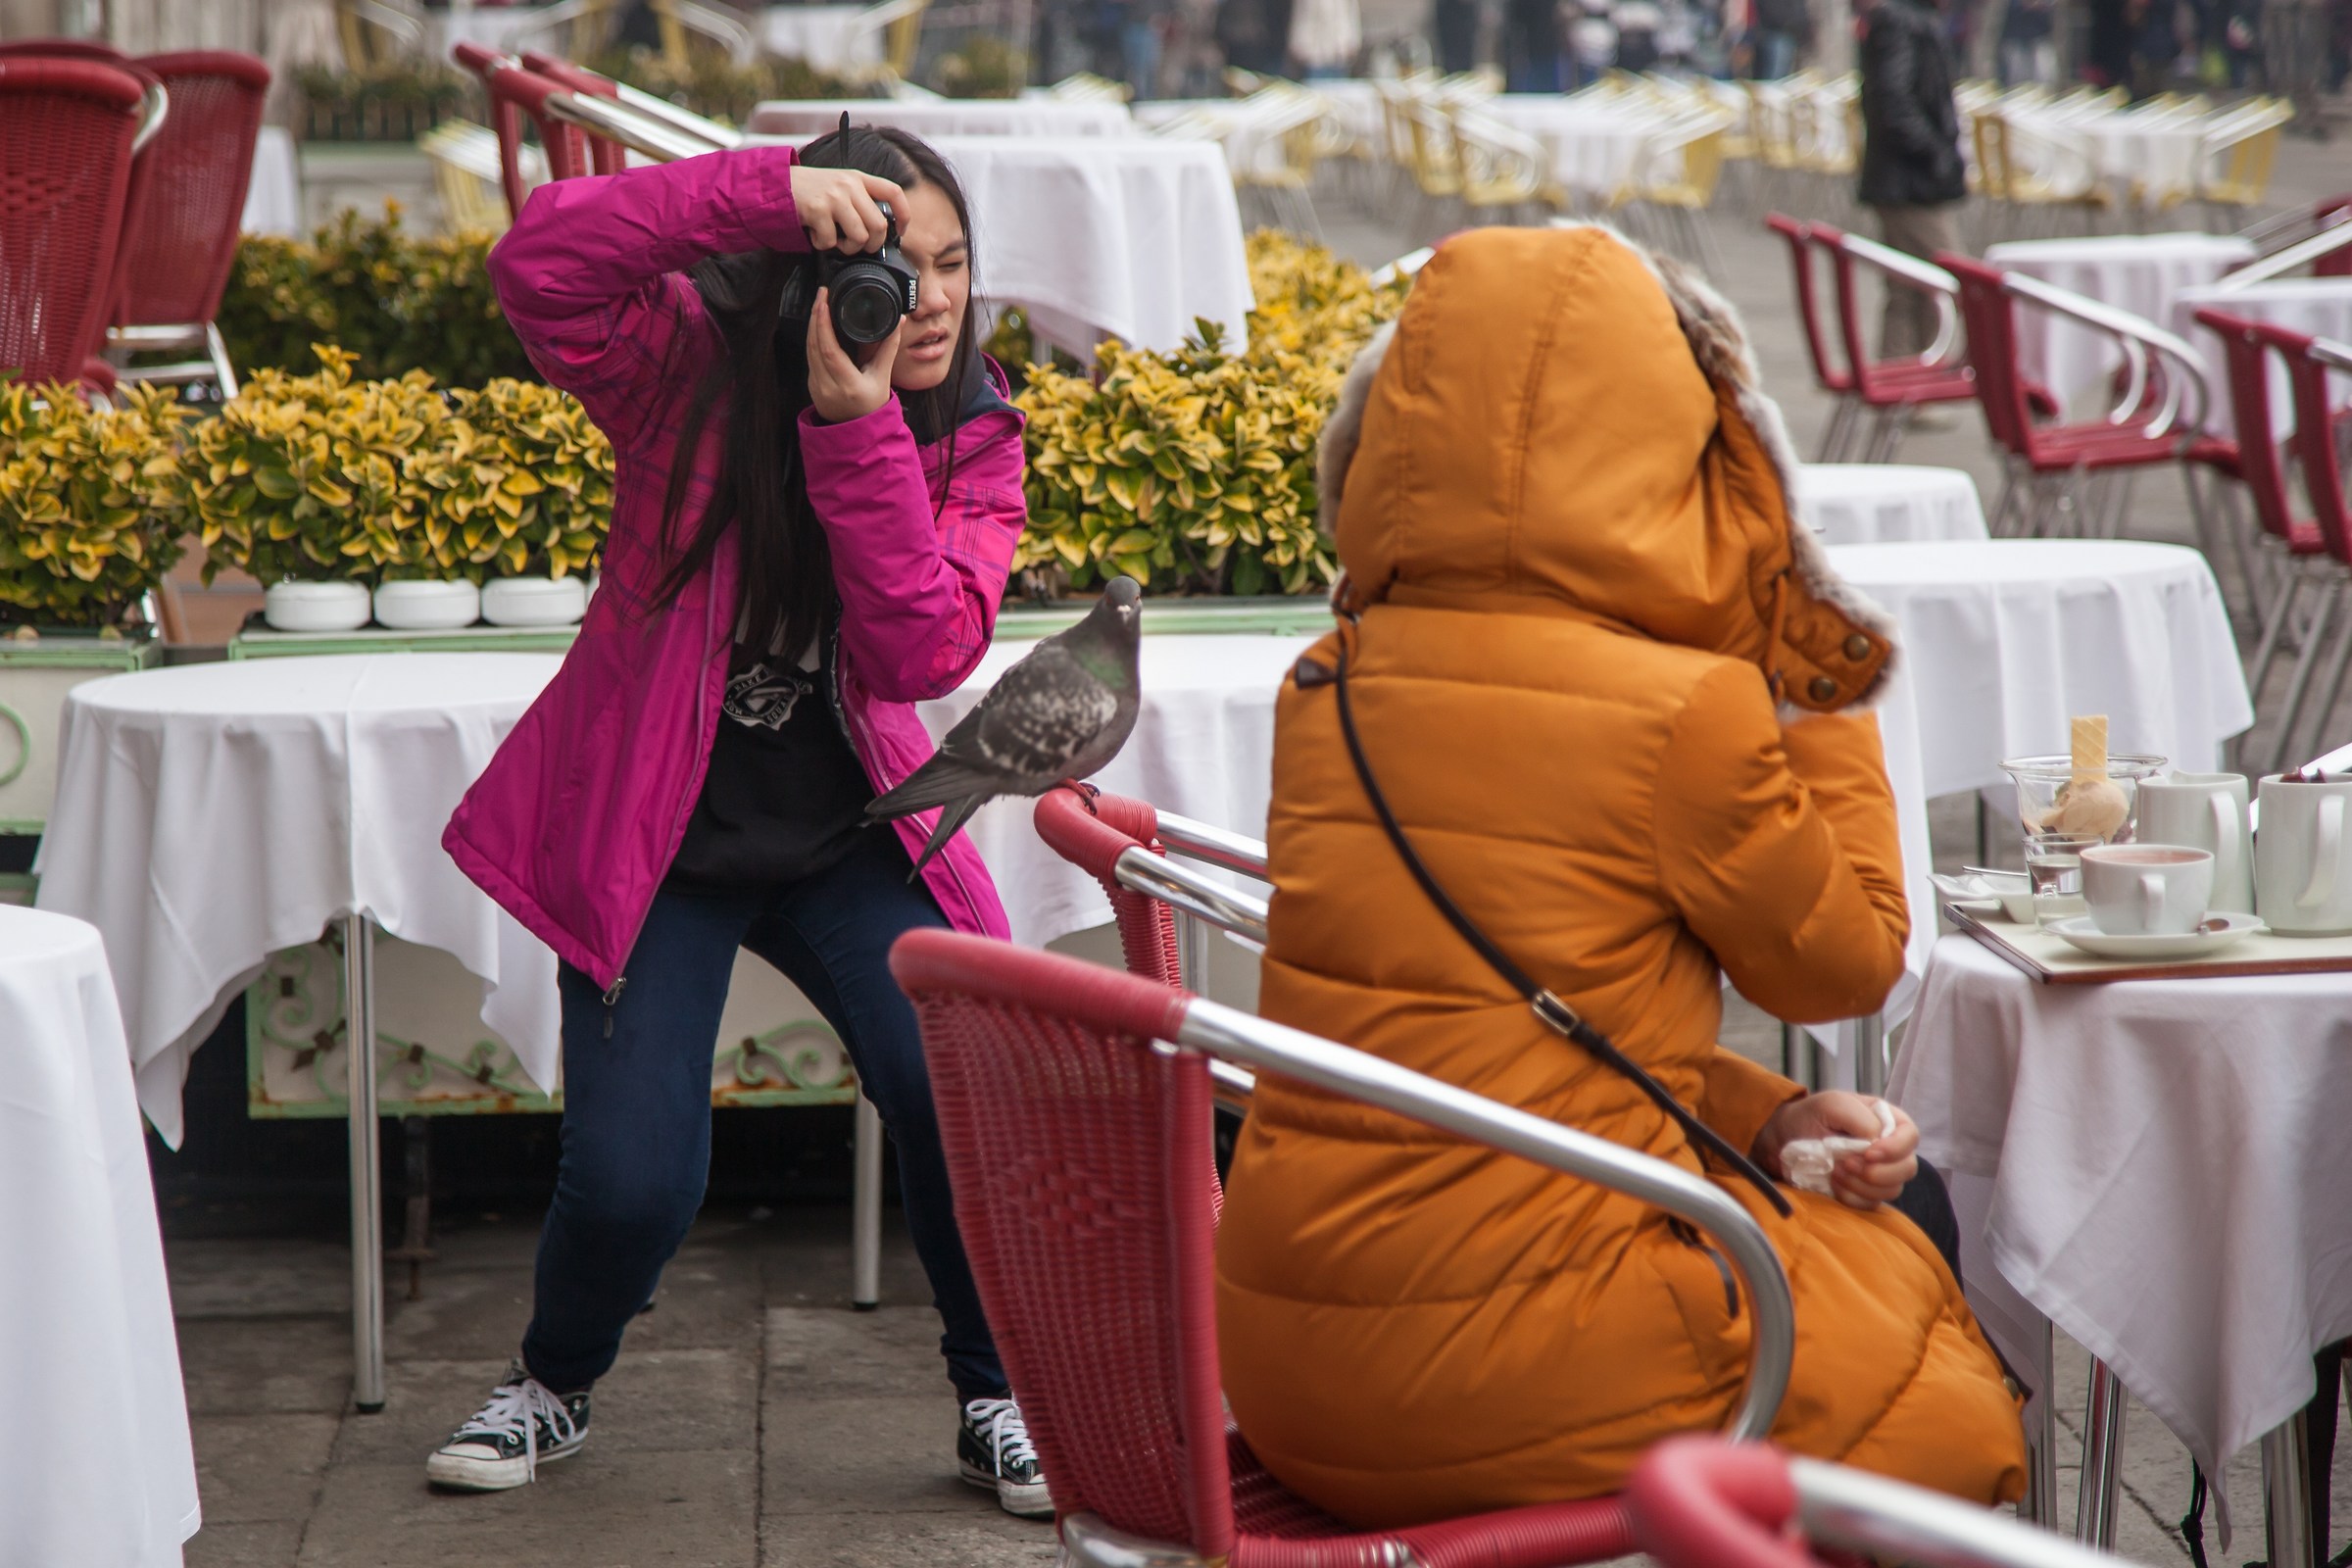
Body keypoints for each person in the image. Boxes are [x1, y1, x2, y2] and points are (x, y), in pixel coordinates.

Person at [1214, 223, 2029, 1528]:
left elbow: (1476, 1027)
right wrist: (1814, 678)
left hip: (1293, 1367)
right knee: (1940, 1363)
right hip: (1532, 1376)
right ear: (1670, 446)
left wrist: (1758, 1115)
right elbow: (1851, 962)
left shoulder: (1326, 682)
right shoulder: (1686, 709)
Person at [427, 123, 1053, 1520]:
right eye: (900, 263)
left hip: (854, 837)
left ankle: (999, 1395)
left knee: (963, 1095)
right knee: (638, 1180)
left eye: (956, 263)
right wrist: (755, 189)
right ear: (810, 273)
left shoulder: (975, 431)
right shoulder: (679, 376)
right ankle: (555, 1380)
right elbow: (538, 262)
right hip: (660, 840)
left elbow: (920, 652)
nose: (934, 298)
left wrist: (858, 431)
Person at [1857, 0, 1967, 359]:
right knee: (1945, 278)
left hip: (1908, 178)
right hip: (1907, 181)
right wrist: (1934, 152)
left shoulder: (1912, 20)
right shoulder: (1901, 22)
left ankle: (1907, 384)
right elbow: (1891, 99)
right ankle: (1912, 383)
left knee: (1911, 286)